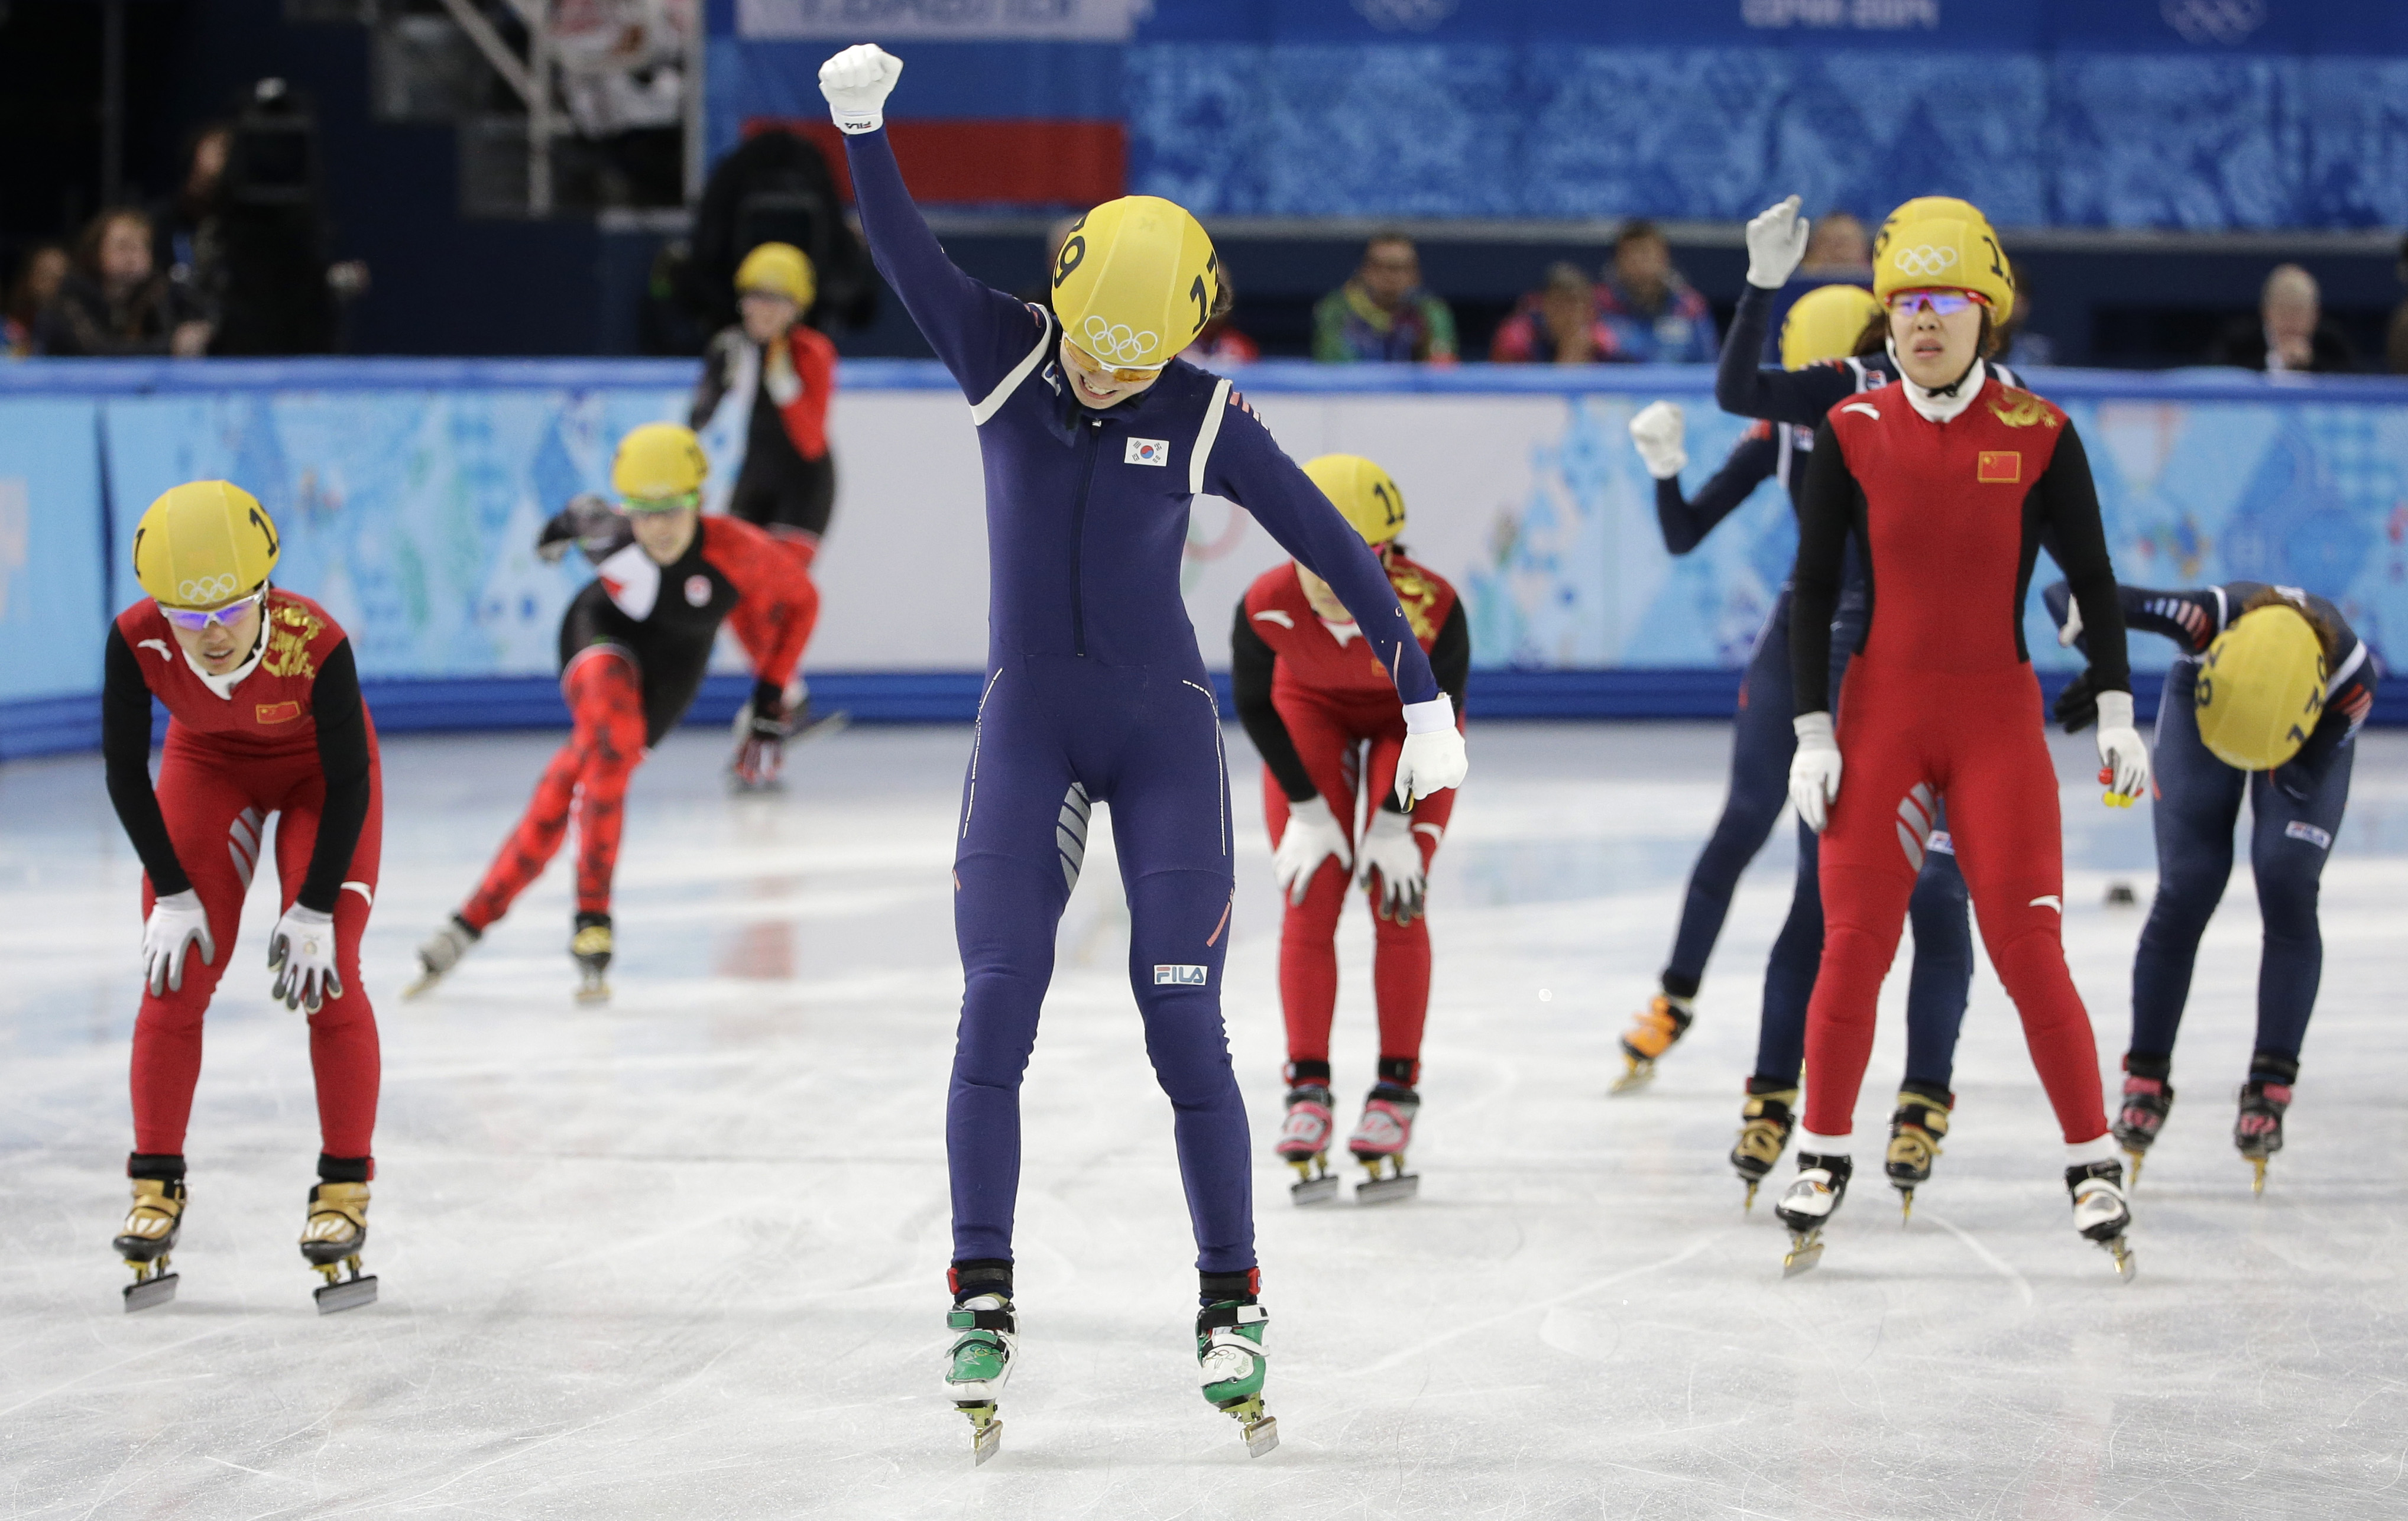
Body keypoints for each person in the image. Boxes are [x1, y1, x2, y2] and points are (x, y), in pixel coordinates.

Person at [815, 41, 1466, 1461]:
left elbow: (1331, 546)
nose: (1111, 377)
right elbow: (904, 249)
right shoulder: (1003, 352)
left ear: (1180, 339)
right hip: (1030, 721)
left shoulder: (1203, 411)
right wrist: (861, 125)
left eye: (1140, 355)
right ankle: (977, 1285)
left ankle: (1228, 1300)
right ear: (1060, 308)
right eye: (1095, 349)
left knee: (1180, 1015)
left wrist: (1417, 696)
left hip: (1161, 732)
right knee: (998, 997)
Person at [1626, 198, 2047, 1215]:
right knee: (1803, 874)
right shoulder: (1821, 410)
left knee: (1910, 899)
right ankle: (1744, 1052)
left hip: (1915, 665)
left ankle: (1895, 1092)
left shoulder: (1955, 400)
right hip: (1827, 655)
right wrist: (1669, 468)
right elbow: (1741, 408)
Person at [1776, 201, 2148, 1278]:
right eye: (1902, 304)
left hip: (1995, 723)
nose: (1920, 323)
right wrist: (1812, 728)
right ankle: (1822, 1149)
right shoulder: (1853, 432)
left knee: (2027, 948)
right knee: (1853, 941)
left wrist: (2117, 707)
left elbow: (2089, 579)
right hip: (1878, 716)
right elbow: (1810, 590)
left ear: (1985, 314)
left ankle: (2090, 1163)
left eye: (1942, 303)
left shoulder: (2040, 432)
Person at [405, 424, 816, 1003]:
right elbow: (581, 515)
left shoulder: (738, 551)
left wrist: (771, 694)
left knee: (589, 768)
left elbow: (803, 602)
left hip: (673, 669)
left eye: (672, 509)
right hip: (599, 636)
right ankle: (591, 916)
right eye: (644, 513)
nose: (659, 527)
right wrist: (558, 529)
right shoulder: (614, 535)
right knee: (609, 736)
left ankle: (470, 919)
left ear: (697, 498)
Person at [101, 481, 384, 1314]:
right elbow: (124, 772)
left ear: (264, 590)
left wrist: (317, 908)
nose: (210, 633)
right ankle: (156, 1182)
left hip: (318, 779)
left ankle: (344, 1188)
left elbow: (349, 779)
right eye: (187, 619)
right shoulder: (136, 638)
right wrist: (175, 895)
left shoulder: (317, 642)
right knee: (174, 973)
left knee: (327, 975)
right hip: (207, 766)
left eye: (228, 609)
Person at [2046, 579, 2376, 1194]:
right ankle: (2144, 1074)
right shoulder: (2207, 615)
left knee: (2285, 877)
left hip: (2300, 737)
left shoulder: (2350, 686)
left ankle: (2269, 1081)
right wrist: (2106, 672)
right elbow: (2065, 591)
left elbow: (2304, 780)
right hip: (2206, 707)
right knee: (2188, 885)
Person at [1231, 454, 1469, 1208]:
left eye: (1353, 559)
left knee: (1396, 895)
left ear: (1389, 555)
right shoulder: (1264, 603)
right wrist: (1306, 807)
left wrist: (1397, 824)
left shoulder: (1434, 607)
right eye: (1310, 557)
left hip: (1413, 728)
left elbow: (1439, 722)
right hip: (1309, 715)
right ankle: (1308, 1088)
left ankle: (1395, 1088)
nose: (1329, 579)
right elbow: (1255, 706)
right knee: (1310, 895)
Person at [688, 241, 834, 734]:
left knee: (775, 599)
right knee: (728, 593)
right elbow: (698, 416)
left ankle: (781, 701)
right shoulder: (731, 345)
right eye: (753, 297)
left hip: (803, 489)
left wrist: (783, 378)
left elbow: (811, 441)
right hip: (753, 483)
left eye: (774, 300)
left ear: (796, 307)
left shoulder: (812, 351)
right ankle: (788, 695)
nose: (759, 309)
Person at [36, 208, 212, 358]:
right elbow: (95, 351)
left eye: (141, 246)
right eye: (122, 246)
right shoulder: (69, 300)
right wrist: (170, 347)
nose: (132, 257)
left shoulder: (160, 294)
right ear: (95, 253)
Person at [1312, 232, 1458, 364]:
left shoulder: (1430, 311)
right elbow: (1333, 365)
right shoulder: (1337, 308)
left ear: (1415, 274)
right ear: (1365, 270)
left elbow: (1443, 367)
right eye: (1379, 266)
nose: (1390, 276)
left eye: (1400, 268)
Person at [1594, 220, 1718, 365]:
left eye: (1645, 253)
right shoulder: (1598, 305)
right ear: (1617, 261)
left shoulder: (1690, 307)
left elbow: (1710, 365)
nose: (1639, 262)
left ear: (1664, 257)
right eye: (1630, 254)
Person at [2210, 264, 2357, 374]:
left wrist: (2310, 364)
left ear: (2315, 315)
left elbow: (2357, 381)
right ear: (2266, 311)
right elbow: (2214, 376)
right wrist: (2276, 362)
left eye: (2299, 313)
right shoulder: (2239, 341)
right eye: (2284, 312)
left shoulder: (2331, 342)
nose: (2292, 321)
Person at [1489, 262, 1621, 364]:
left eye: (1576, 304)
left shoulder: (1604, 340)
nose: (1569, 314)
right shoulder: (1517, 338)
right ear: (1544, 305)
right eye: (1559, 304)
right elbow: (1509, 392)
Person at [4, 243, 69, 357]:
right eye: (46, 275)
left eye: (61, 278)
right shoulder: (6, 329)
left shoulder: (76, 332)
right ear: (26, 278)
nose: (55, 284)